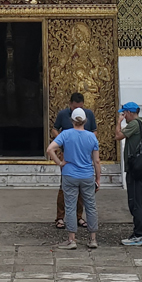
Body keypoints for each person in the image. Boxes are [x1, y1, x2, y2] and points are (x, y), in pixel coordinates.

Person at [47, 107, 100, 251]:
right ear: (85, 121)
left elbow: (50, 149)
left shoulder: (66, 134)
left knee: (70, 206)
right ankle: (93, 238)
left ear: (72, 120)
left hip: (70, 174)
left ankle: (72, 239)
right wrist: (98, 178)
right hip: (87, 175)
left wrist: (60, 163)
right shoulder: (91, 137)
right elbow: (96, 161)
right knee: (90, 206)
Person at [52, 92, 96, 229]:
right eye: (75, 107)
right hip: (68, 156)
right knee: (64, 188)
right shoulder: (62, 114)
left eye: (81, 107)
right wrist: (62, 141)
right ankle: (60, 217)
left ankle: (78, 216)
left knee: (82, 191)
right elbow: (54, 130)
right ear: (70, 104)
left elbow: (94, 131)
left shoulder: (89, 114)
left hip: (83, 156)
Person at [115, 102, 142, 247]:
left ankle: (137, 235)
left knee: (135, 202)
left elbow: (118, 136)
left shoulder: (134, 124)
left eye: (124, 114)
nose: (123, 116)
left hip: (135, 169)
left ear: (130, 112)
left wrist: (119, 122)